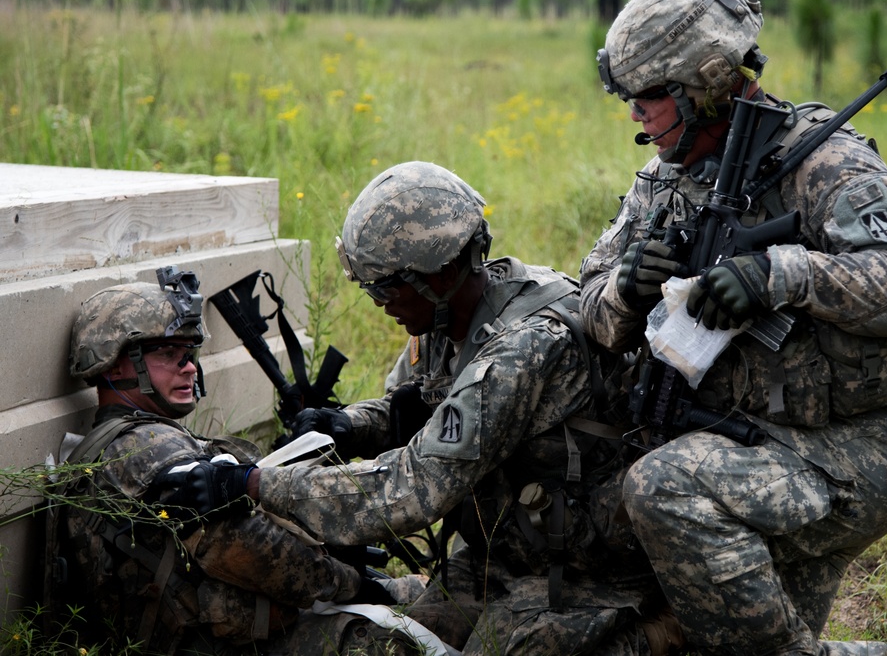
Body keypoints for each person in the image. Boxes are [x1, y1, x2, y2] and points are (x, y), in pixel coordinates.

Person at [580, 0, 887, 656]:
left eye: (650, 94)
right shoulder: (663, 180)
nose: (634, 113)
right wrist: (623, 291)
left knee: (660, 491)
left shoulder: (823, 159)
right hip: (730, 443)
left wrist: (783, 274)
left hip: (842, 451)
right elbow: (588, 300)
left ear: (704, 81)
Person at [160, 161, 681, 655]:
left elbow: (408, 490)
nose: (376, 301)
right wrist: (348, 425)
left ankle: (663, 631)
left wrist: (250, 483)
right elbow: (413, 404)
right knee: (394, 646)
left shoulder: (521, 348)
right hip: (501, 558)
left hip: (588, 574)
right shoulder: (447, 319)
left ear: (440, 272)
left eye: (384, 286)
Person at [56, 267, 430, 656]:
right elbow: (249, 547)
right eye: (167, 354)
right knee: (395, 642)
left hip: (199, 635)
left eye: (189, 354)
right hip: (208, 644)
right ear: (114, 365)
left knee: (423, 600)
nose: (188, 367)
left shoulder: (115, 444)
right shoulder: (148, 445)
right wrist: (355, 584)